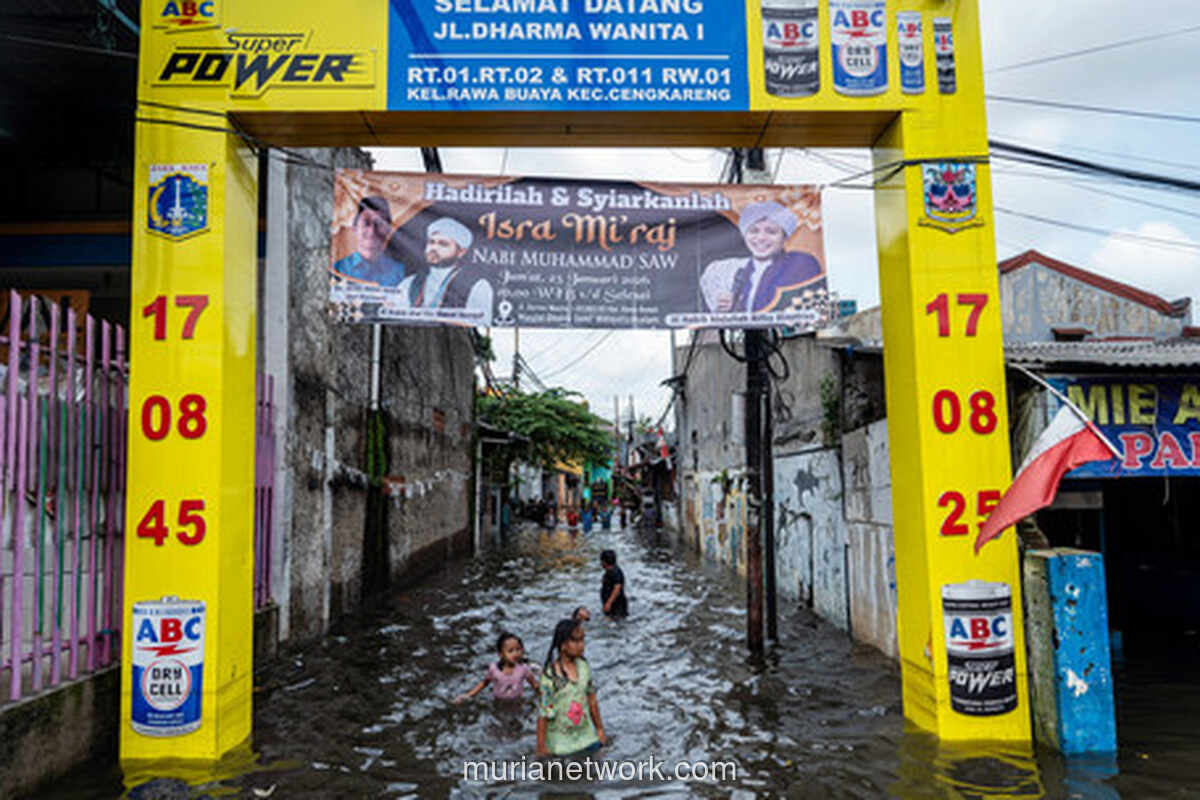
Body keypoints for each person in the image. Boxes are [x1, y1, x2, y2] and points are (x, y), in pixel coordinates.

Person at [700, 201, 823, 313]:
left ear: (784, 236)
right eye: (754, 231)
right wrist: (730, 308)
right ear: (744, 235)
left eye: (771, 231)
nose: (761, 238)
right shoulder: (736, 272)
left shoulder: (801, 264)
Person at [395, 216, 493, 323]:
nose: (434, 248)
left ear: (461, 252)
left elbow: (479, 322)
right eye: (431, 242)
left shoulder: (478, 286)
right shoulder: (409, 283)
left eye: (443, 244)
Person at [537, 618, 607, 756]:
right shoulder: (550, 677)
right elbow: (544, 714)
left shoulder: (584, 667)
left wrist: (599, 729)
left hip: (586, 737)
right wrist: (541, 747)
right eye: (576, 641)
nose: (582, 645)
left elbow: (592, 699)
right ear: (563, 645)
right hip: (560, 743)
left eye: (583, 640)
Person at [331, 195, 408, 286]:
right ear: (354, 228)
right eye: (366, 223)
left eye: (380, 223)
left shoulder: (400, 272)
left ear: (389, 229)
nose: (372, 231)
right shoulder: (338, 269)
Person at [455, 631, 540, 703]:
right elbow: (484, 683)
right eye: (510, 651)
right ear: (501, 654)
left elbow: (534, 685)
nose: (515, 653)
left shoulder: (524, 669)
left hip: (518, 702)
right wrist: (468, 695)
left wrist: (545, 695)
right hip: (498, 702)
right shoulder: (494, 670)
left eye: (518, 649)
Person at [599, 549, 628, 618]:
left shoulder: (615, 572)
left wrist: (609, 603)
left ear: (604, 562)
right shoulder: (610, 571)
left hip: (617, 605)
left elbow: (617, 588)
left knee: (617, 622)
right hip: (613, 604)